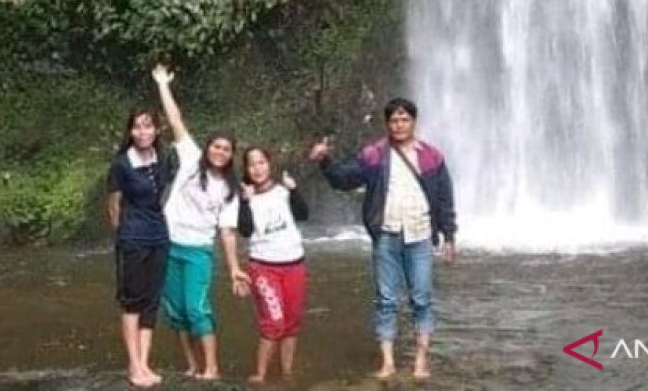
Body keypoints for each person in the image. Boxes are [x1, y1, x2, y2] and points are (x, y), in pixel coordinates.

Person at [308, 97, 457, 379]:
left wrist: (449, 236)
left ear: (414, 122)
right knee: (386, 299)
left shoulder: (431, 157)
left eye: (404, 119)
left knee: (422, 298)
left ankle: (421, 360)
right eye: (394, 120)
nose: (399, 125)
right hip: (387, 235)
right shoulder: (374, 155)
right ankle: (387, 362)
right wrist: (325, 161)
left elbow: (444, 198)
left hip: (421, 235)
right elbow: (344, 179)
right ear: (387, 124)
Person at [152, 64, 249, 381]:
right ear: (208, 147)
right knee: (176, 311)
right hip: (169, 244)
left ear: (231, 155)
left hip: (198, 251)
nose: (220, 152)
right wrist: (163, 84)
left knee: (197, 308)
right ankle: (192, 365)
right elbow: (176, 120)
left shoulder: (230, 189)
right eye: (216, 146)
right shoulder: (191, 159)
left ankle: (212, 367)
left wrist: (234, 267)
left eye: (226, 149)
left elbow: (227, 231)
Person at [106, 107, 170, 388]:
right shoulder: (121, 164)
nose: (143, 132)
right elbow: (113, 206)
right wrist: (123, 236)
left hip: (160, 236)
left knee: (151, 301)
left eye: (148, 126)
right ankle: (133, 365)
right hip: (133, 238)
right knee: (132, 302)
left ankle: (145, 362)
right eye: (137, 127)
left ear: (156, 130)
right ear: (130, 131)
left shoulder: (164, 159)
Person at [237, 147, 310, 383]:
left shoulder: (283, 191)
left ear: (269, 164)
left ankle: (287, 373)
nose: (257, 169)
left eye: (261, 162)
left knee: (292, 323)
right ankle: (260, 375)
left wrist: (294, 189)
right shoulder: (245, 197)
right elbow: (245, 231)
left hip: (294, 264)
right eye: (252, 164)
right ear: (246, 169)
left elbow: (303, 215)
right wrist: (245, 202)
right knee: (274, 323)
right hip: (264, 267)